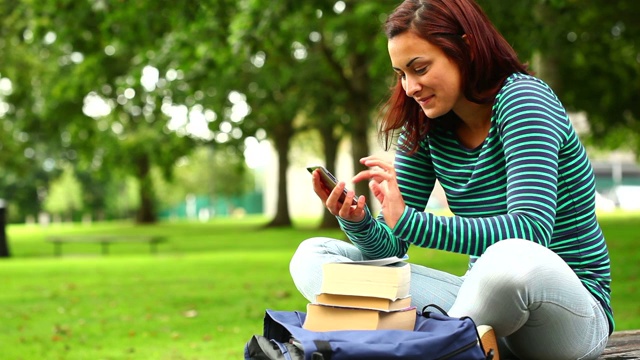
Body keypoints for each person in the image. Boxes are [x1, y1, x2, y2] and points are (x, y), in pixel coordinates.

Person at [289, 0, 614, 359]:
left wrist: (412, 223)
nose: (410, 87)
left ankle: (437, 346)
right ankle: (450, 346)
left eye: (420, 68)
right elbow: (392, 248)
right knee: (313, 257)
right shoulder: (424, 124)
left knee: (508, 258)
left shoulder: (524, 100)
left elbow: (530, 230)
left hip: (566, 318)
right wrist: (359, 222)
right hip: (482, 309)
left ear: (466, 48)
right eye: (401, 74)